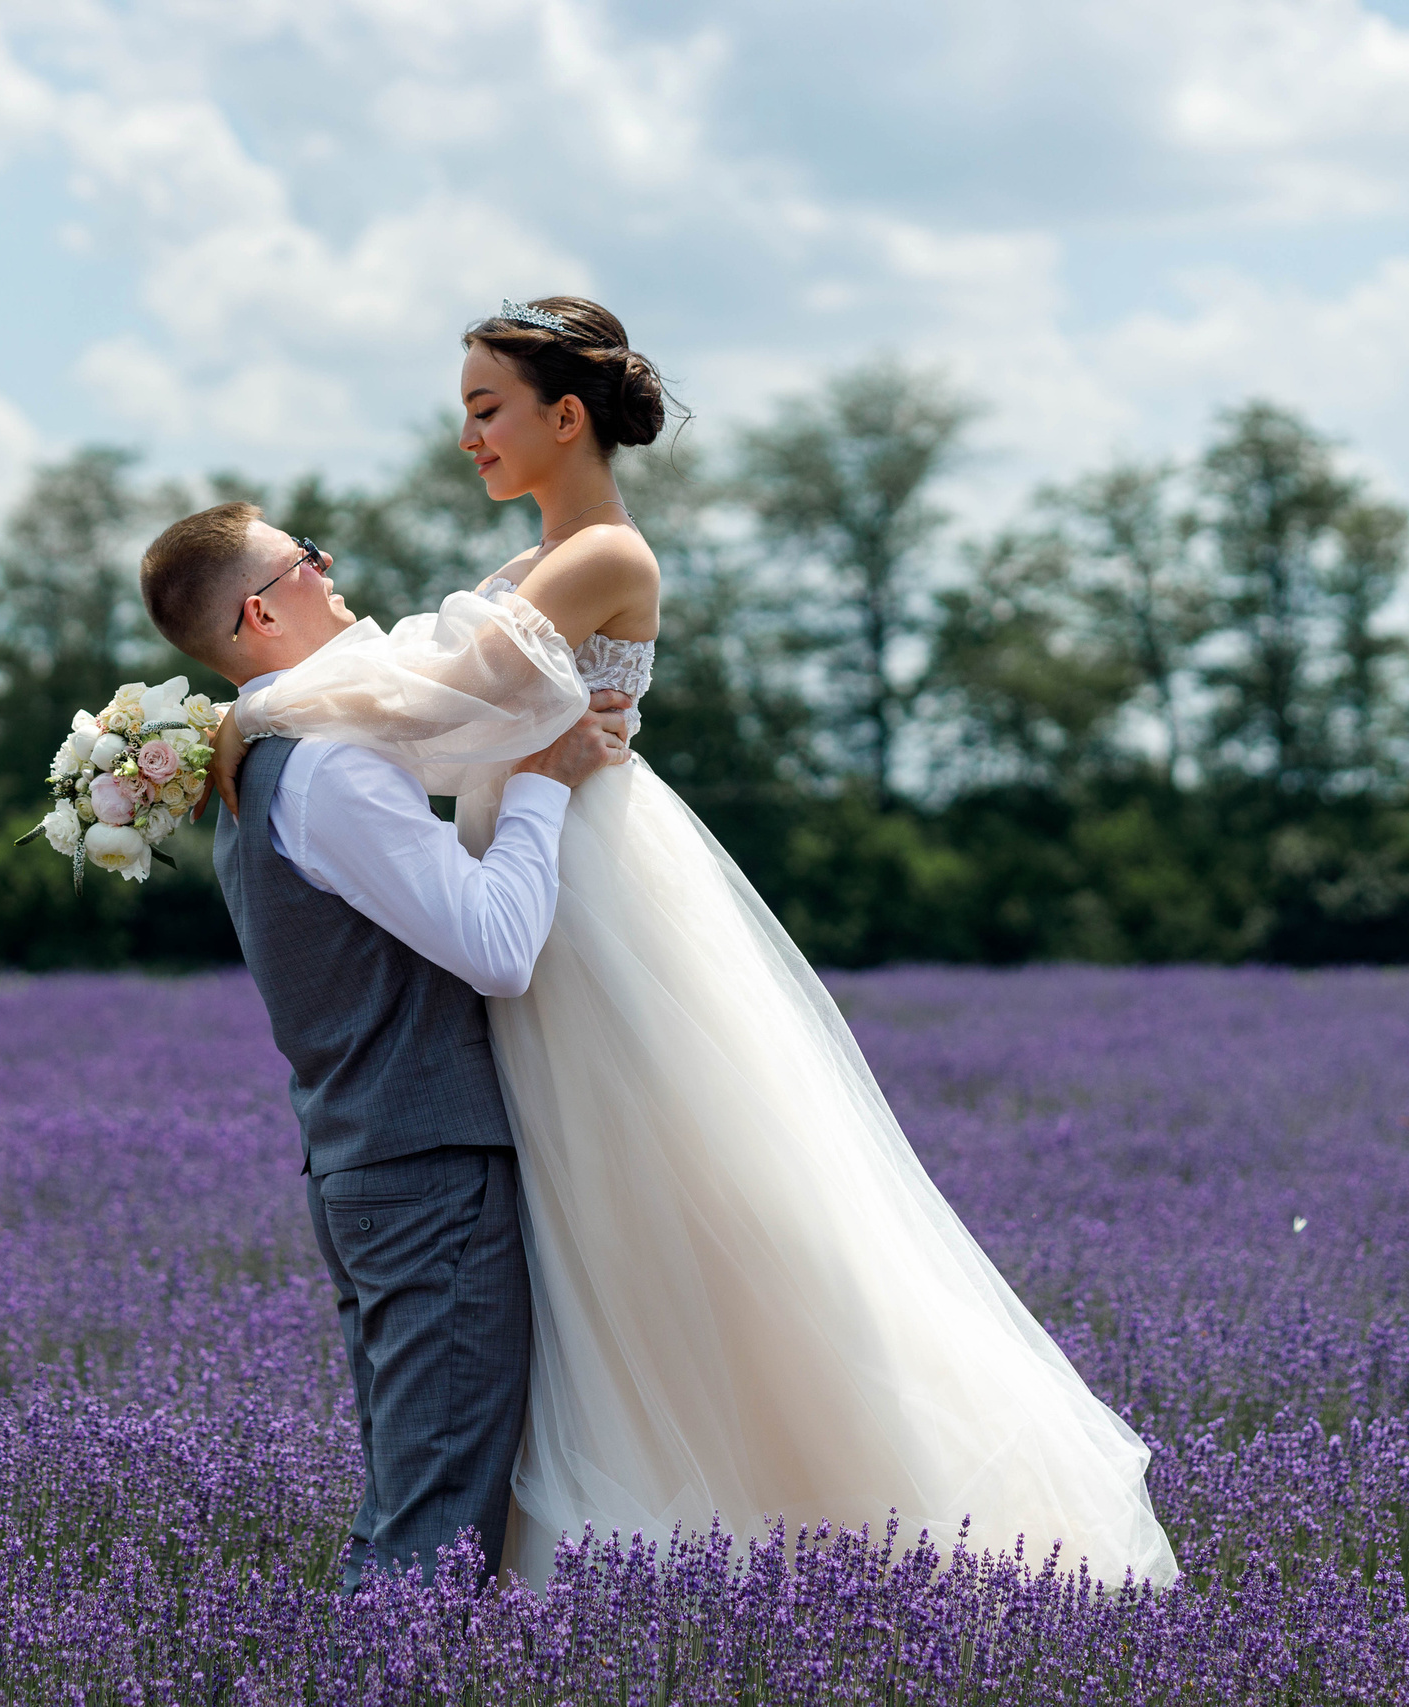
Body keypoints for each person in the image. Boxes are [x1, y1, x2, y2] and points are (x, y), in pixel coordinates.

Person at [211, 297, 1181, 1590]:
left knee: (681, 1204)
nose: (468, 438)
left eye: (487, 408)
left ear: (567, 415)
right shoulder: (530, 568)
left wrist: (245, 710)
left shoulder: (604, 554)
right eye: (465, 413)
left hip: (595, 881)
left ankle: (793, 1531)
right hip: (536, 844)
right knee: (588, 1226)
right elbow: (415, 714)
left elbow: (423, 697)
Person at [137, 500, 632, 1588]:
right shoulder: (325, 770)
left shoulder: (267, 759)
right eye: (307, 557)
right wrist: (543, 785)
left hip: (374, 1163)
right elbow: (497, 947)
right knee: (432, 1526)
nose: (331, 566)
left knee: (422, 1499)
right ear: (263, 610)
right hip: (425, 1174)